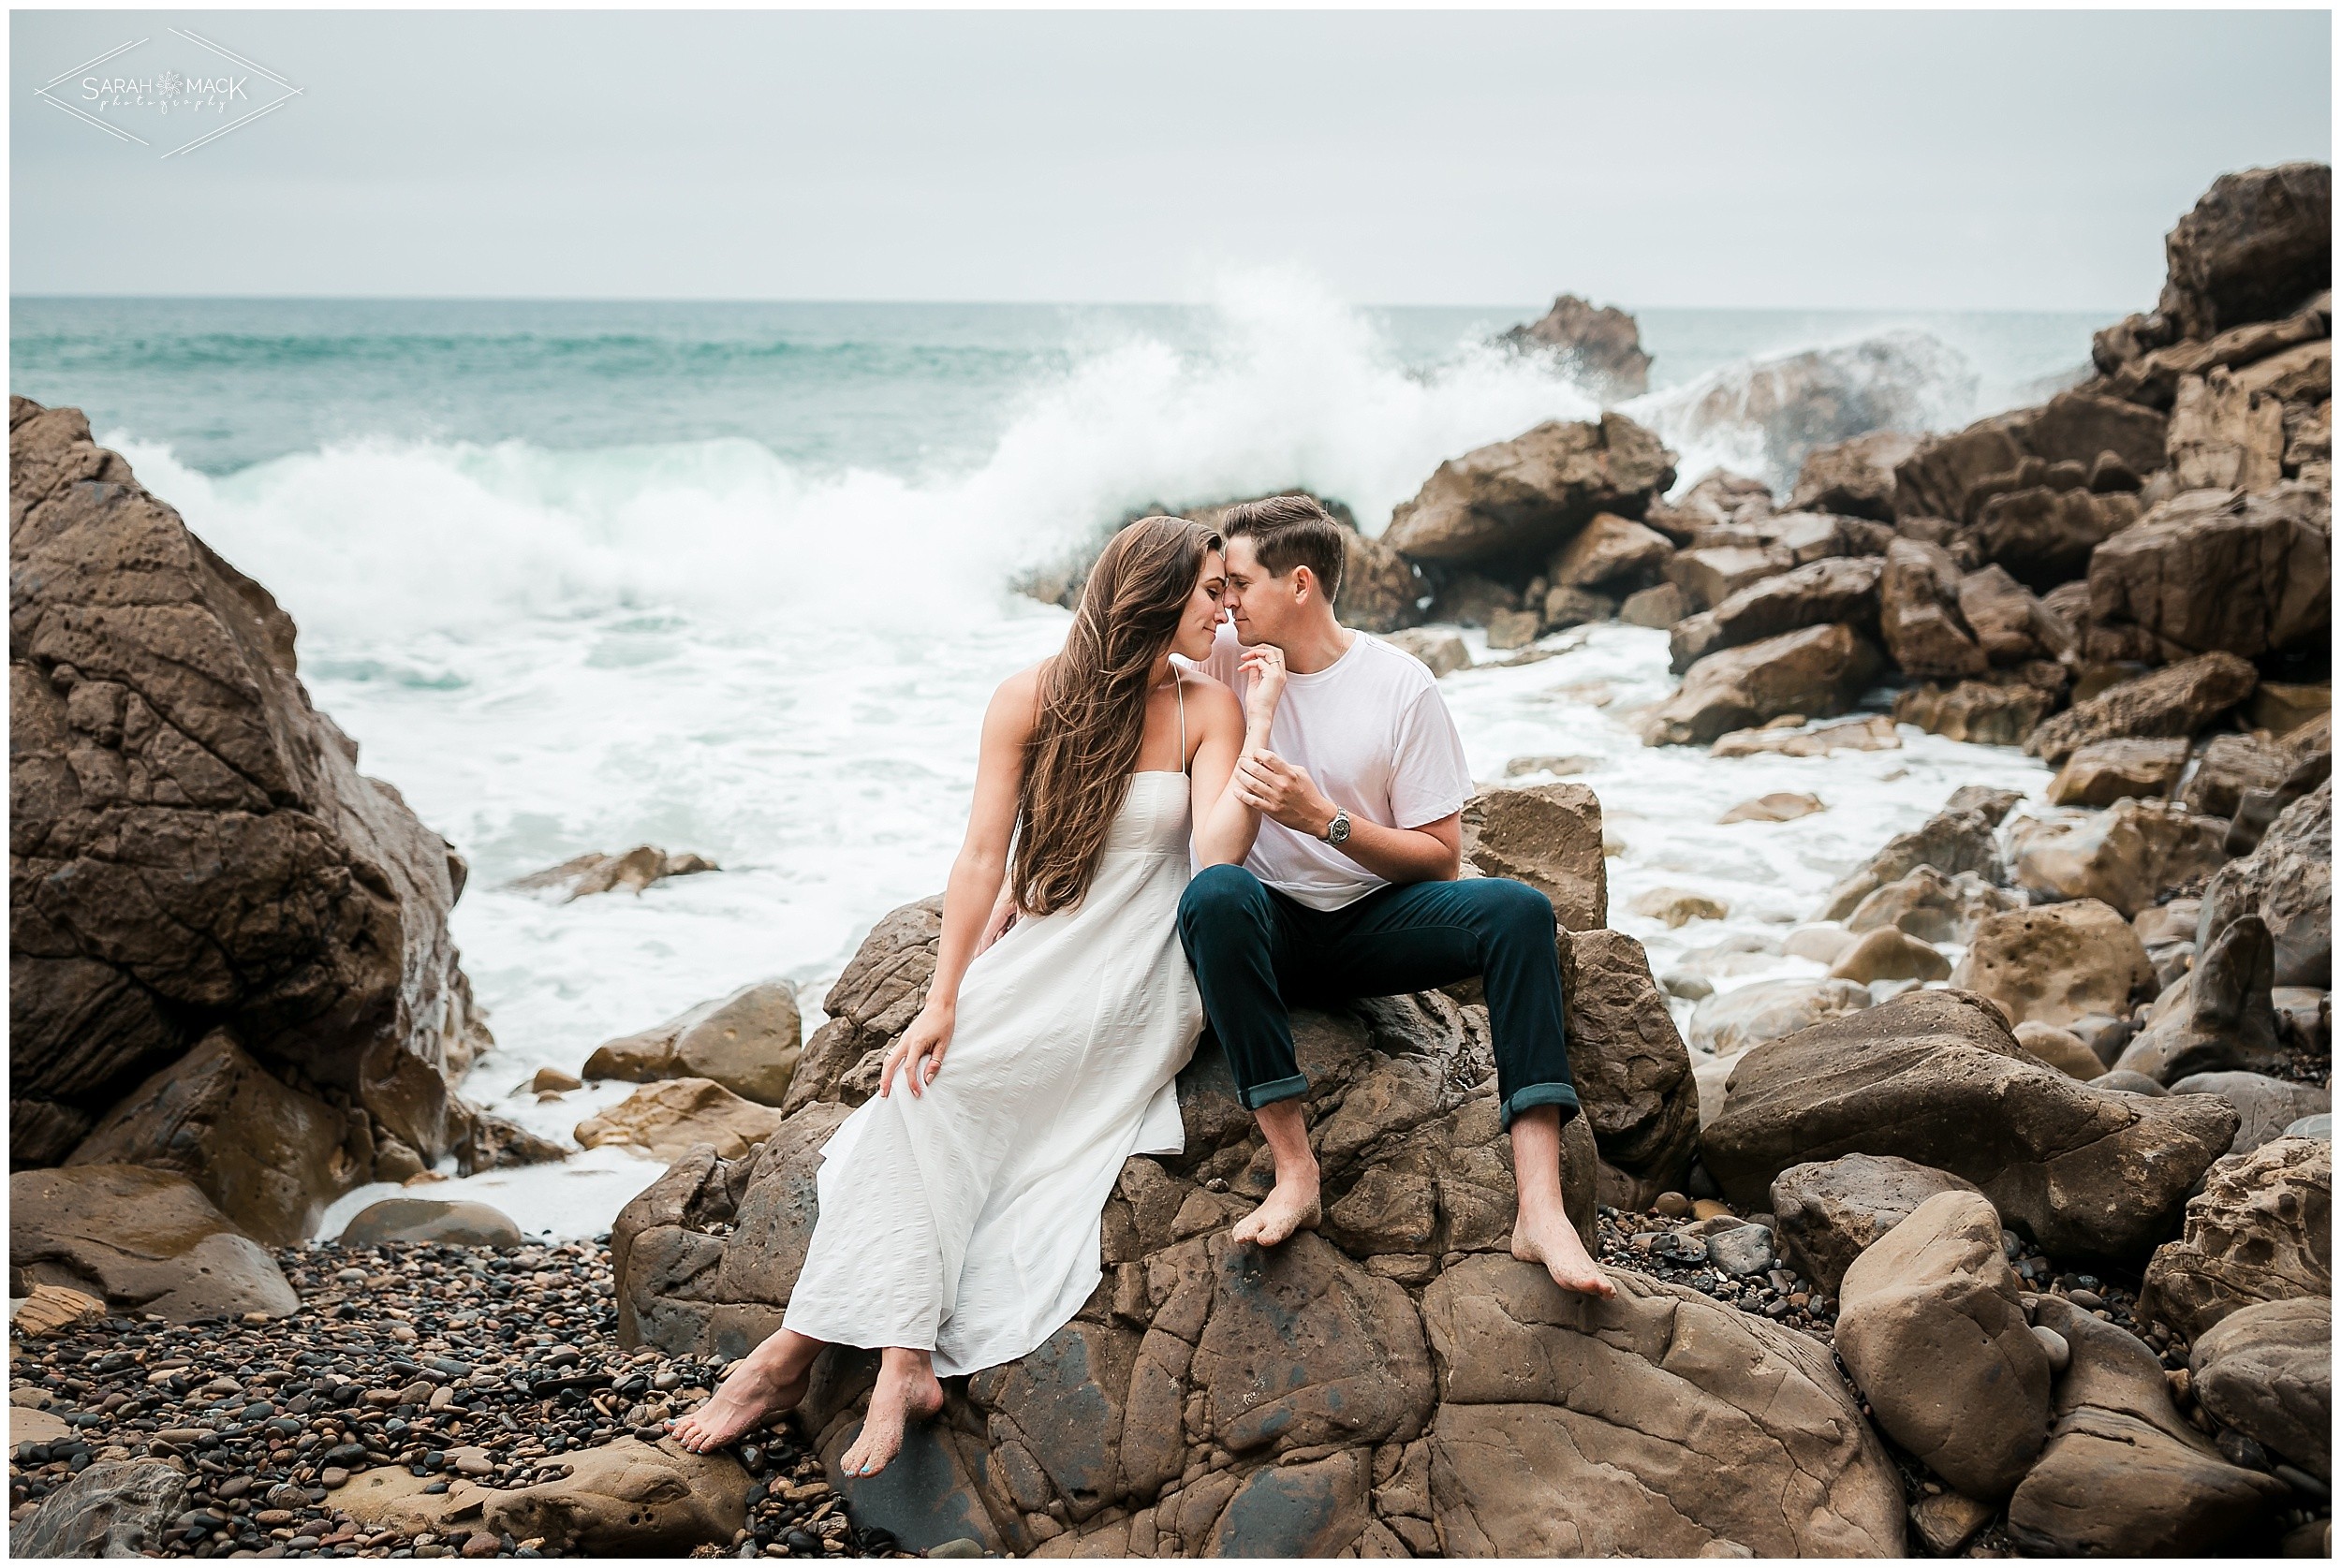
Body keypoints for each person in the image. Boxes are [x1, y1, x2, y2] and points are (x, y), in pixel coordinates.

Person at [670, 515, 1279, 1476]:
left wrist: (1265, 720)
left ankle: (793, 1355)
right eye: (1211, 592)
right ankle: (892, 1360)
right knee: (913, 1089)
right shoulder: (1029, 696)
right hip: (1039, 950)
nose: (1227, 609)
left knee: (931, 1103)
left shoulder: (1209, 706)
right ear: (1157, 593)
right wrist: (941, 996)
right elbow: (981, 856)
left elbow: (1218, 860)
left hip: (1139, 972)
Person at [1177, 493, 1614, 1298]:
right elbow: (1109, 676)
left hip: (1372, 925)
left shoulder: (1398, 687)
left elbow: (1442, 857)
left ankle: (1540, 1207)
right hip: (1265, 924)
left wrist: (1327, 821)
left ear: (1299, 583)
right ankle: (1295, 1171)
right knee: (1213, 898)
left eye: (1237, 582)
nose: (1224, 600)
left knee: (1519, 911)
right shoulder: (1217, 659)